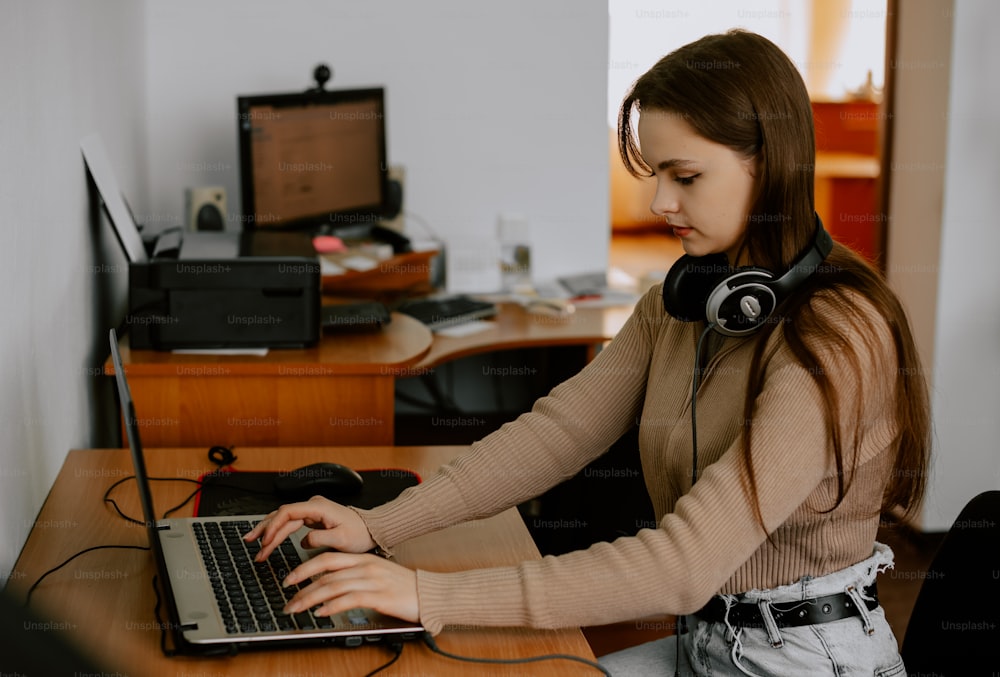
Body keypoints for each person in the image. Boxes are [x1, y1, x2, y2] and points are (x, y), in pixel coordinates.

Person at [245, 30, 930, 676]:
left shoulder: (837, 337)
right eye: (656, 173)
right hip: (704, 639)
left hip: (804, 658)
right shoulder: (683, 301)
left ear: (770, 167)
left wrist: (430, 594)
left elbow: (683, 563)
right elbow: (557, 433)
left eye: (685, 176)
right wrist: (376, 524)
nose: (661, 201)